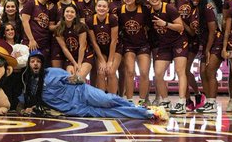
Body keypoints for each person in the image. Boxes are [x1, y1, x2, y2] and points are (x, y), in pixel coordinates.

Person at [19, 50, 168, 120]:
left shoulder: (52, 72)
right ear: (29, 64)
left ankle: (141, 108)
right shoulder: (28, 85)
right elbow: (22, 103)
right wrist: (25, 109)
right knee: (110, 113)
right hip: (76, 109)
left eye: (38, 61)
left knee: (109, 100)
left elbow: (74, 80)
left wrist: (74, 77)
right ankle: (146, 114)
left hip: (82, 92)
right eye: (33, 62)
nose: (36, 64)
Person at [146, 0, 187, 113]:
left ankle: (181, 102)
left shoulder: (169, 8)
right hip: (164, 44)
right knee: (158, 74)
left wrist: (165, 24)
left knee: (180, 71)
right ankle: (165, 101)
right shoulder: (149, 11)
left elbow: (180, 27)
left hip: (178, 41)